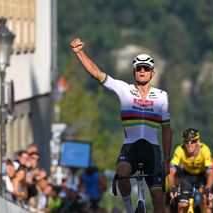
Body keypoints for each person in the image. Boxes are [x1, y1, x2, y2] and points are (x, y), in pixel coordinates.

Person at [70, 38, 173, 213]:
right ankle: (129, 209)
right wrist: (79, 52)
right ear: (134, 72)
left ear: (152, 73)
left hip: (152, 151)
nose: (142, 71)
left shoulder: (162, 96)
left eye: (146, 69)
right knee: (122, 174)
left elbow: (166, 129)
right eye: (138, 68)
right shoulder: (124, 89)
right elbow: (97, 74)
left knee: (157, 197)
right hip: (131, 147)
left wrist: (167, 159)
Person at [168, 128, 213, 213]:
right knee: (183, 205)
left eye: (192, 141)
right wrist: (172, 188)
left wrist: (208, 188)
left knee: (203, 195)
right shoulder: (180, 150)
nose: (189, 145)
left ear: (198, 141)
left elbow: (210, 172)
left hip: (201, 176)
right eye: (186, 142)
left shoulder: (204, 150)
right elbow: (171, 171)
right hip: (187, 176)